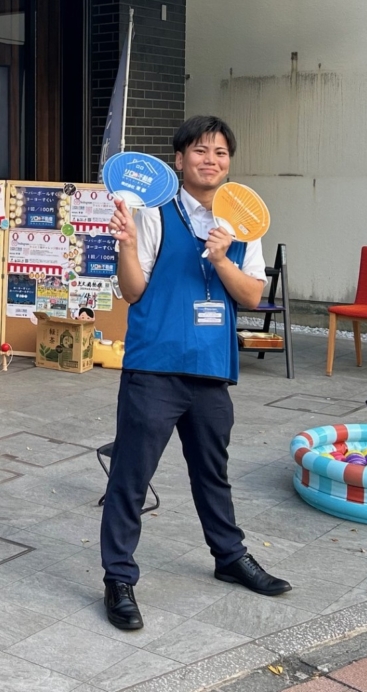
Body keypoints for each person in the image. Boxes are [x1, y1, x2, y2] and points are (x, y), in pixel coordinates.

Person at [100, 115, 290, 631]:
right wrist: (123, 242)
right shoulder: (153, 212)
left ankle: (229, 557)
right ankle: (119, 578)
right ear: (179, 160)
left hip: (209, 369)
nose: (212, 160)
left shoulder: (242, 223)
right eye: (201, 151)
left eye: (222, 153)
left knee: (213, 472)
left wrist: (223, 258)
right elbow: (134, 290)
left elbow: (252, 296)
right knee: (131, 477)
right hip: (155, 366)